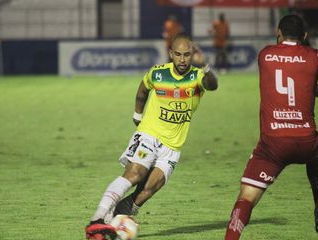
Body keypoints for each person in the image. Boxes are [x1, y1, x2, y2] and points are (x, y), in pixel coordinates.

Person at [85, 34, 218, 240]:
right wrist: (138, 115)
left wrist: (206, 68)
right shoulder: (157, 74)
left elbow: (212, 85)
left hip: (172, 146)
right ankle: (97, 219)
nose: (183, 60)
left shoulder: (197, 77)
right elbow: (142, 91)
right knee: (135, 174)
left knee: (147, 191)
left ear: (192, 55)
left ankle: (118, 217)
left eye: (187, 55)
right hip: (149, 134)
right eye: (178, 55)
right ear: (170, 54)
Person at [224, 14, 318, 240]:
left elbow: (284, 77)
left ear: (278, 32)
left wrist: (308, 87)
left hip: (273, 144)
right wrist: (312, 87)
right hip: (306, 141)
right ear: (305, 36)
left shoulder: (265, 54)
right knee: (315, 156)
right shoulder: (315, 56)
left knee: (246, 198)